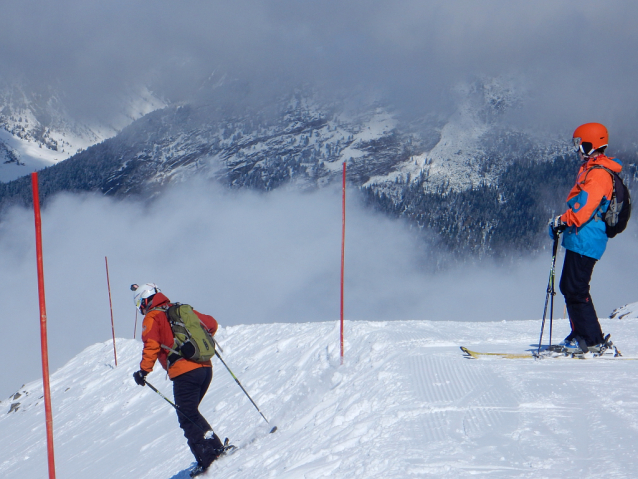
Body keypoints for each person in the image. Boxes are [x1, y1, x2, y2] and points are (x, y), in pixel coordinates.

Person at [131, 283, 227, 476]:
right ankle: (213, 449)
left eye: (139, 303)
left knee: (187, 416)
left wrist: (143, 371)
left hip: (185, 372)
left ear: (146, 299)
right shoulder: (179, 309)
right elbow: (212, 324)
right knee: (190, 413)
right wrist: (196, 346)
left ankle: (209, 457)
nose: (140, 309)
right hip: (205, 368)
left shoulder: (153, 317)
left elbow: (151, 344)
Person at [548, 122, 622, 353]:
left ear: (591, 144)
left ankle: (592, 340)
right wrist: (564, 222)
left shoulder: (598, 174)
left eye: (580, 144)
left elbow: (584, 210)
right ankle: (581, 333)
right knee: (569, 287)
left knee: (576, 289)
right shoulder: (593, 169)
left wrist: (563, 220)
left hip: (586, 239)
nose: (577, 148)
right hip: (581, 237)